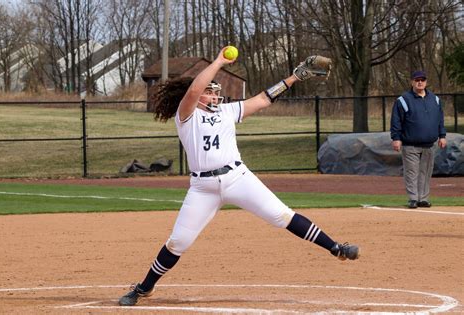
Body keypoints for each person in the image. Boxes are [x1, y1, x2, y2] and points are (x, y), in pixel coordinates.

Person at [119, 47, 360, 306]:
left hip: (237, 177)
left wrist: (295, 77)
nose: (213, 96)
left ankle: (336, 248)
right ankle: (144, 288)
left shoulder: (227, 112)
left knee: (282, 215)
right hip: (203, 188)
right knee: (178, 242)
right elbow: (192, 90)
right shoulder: (186, 115)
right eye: (209, 92)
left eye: (215, 92)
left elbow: (264, 98)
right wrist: (219, 61)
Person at [390, 70, 447, 209]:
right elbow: (396, 121)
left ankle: (423, 199)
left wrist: (442, 135)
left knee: (425, 173)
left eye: (422, 80)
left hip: (429, 144)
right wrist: (396, 138)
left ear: (426, 82)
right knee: (412, 172)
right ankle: (413, 198)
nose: (420, 82)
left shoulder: (435, 99)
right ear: (412, 82)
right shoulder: (403, 100)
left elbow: (440, 120)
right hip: (410, 144)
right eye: (417, 80)